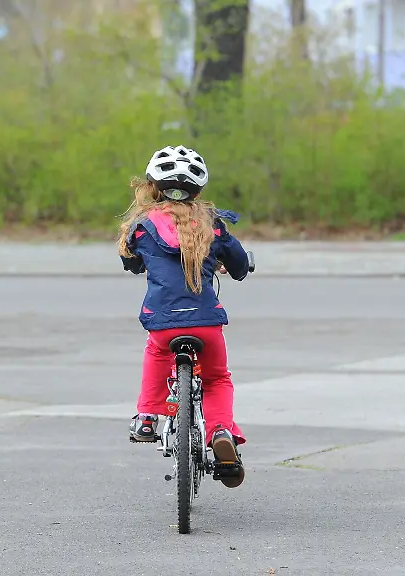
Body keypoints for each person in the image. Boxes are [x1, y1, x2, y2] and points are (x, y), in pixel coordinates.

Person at [117, 145, 251, 489]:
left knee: (155, 352)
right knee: (217, 379)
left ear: (154, 188)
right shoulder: (213, 226)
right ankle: (221, 430)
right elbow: (238, 266)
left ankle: (147, 416)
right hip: (206, 323)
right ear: (199, 191)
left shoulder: (143, 226)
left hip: (162, 323)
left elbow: (131, 262)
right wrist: (232, 263)